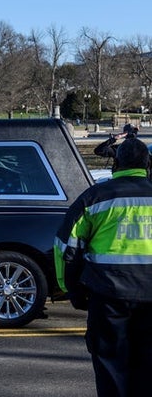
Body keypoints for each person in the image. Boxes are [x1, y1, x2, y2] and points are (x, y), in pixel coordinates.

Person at [55, 136, 152, 396]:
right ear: (147, 164)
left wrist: (73, 290)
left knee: (111, 368)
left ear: (115, 163)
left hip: (108, 297)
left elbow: (66, 247)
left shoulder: (94, 198)